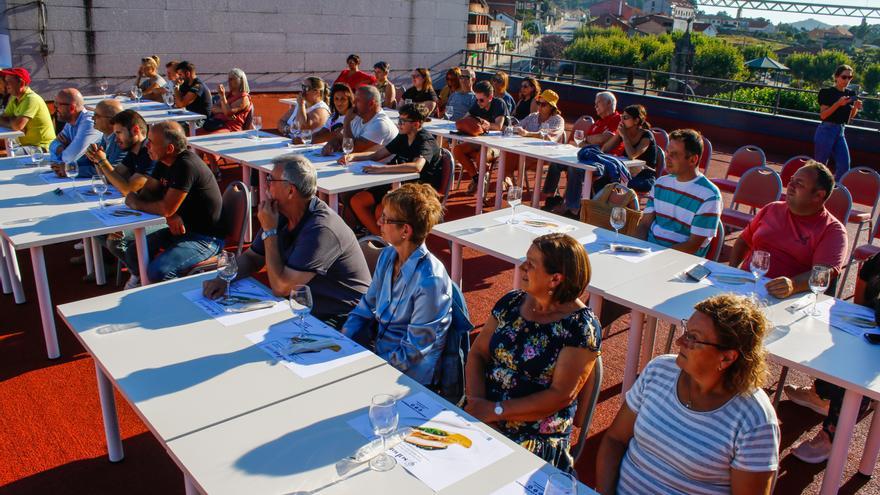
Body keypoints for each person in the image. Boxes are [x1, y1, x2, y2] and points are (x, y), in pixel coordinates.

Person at [596, 294, 780, 495]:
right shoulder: (659, 370)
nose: (679, 341)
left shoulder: (754, 420)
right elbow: (615, 439)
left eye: (693, 338)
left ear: (727, 357)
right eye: (686, 330)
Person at [464, 233, 601, 471]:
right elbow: (477, 354)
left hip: (534, 436)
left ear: (555, 278)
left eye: (531, 264)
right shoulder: (512, 302)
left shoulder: (579, 328)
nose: (522, 267)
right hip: (483, 412)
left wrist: (495, 411)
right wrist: (478, 403)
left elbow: (560, 395)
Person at [203, 154, 371, 328]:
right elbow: (253, 258)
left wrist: (269, 231)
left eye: (270, 180)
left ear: (290, 190)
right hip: (306, 308)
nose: (266, 185)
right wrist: (224, 279)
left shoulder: (321, 229)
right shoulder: (281, 213)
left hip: (344, 319)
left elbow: (281, 287)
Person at [342, 183, 452, 383]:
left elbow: (414, 350)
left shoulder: (431, 280)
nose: (378, 221)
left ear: (405, 230)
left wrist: (369, 369)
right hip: (380, 359)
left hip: (409, 379)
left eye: (385, 219)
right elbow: (366, 307)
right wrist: (343, 340)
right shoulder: (387, 256)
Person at [785, 252, 879, 463]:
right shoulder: (878, 261)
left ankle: (832, 434)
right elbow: (865, 281)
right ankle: (822, 393)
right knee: (835, 345)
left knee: (859, 370)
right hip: (872, 325)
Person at [123, 121, 224, 286]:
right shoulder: (163, 162)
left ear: (169, 149)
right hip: (181, 231)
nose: (146, 145)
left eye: (151, 142)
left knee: (159, 272)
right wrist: (170, 214)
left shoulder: (186, 165)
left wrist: (137, 203)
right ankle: (141, 285)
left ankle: (177, 303)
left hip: (206, 238)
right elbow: (149, 194)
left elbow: (162, 207)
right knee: (133, 252)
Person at [728, 160, 847, 299]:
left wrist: (793, 285)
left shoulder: (833, 230)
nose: (790, 185)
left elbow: (822, 274)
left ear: (818, 195)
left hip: (787, 299)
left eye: (799, 184)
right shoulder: (772, 208)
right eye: (792, 180)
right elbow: (743, 241)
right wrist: (732, 270)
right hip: (747, 287)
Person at [339, 103, 443, 235]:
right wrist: (353, 156)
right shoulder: (403, 136)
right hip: (399, 184)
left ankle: (385, 241)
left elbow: (417, 166)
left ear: (416, 124)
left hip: (419, 189)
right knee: (357, 200)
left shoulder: (425, 141)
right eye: (399, 119)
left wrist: (382, 169)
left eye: (403, 121)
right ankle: (380, 238)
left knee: (381, 209)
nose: (399, 123)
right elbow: (377, 155)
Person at [85, 109, 159, 276]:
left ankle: (141, 274)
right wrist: (98, 161)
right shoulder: (133, 152)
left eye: (118, 132)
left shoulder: (149, 153)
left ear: (135, 131)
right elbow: (115, 177)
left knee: (115, 241)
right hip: (140, 208)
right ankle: (129, 267)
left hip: (159, 215)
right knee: (97, 231)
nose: (116, 137)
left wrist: (103, 161)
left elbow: (128, 189)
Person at [635, 129, 721, 257]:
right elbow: (644, 224)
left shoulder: (710, 196)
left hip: (680, 264)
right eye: (667, 152)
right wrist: (635, 248)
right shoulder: (660, 184)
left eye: (674, 154)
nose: (667, 158)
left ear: (693, 160)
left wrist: (657, 258)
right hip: (648, 254)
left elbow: (692, 245)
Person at [547, 91, 624, 217]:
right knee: (556, 162)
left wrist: (589, 140)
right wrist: (591, 141)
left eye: (598, 103)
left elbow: (604, 138)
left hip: (603, 162)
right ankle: (551, 198)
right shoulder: (597, 123)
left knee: (574, 168)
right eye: (595, 104)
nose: (595, 106)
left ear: (609, 103)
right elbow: (583, 143)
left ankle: (573, 210)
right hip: (588, 157)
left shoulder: (617, 119)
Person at [452, 80, 507, 196]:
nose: (479, 102)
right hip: (480, 142)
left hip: (497, 144)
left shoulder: (499, 103)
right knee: (457, 150)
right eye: (477, 99)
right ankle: (477, 179)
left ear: (490, 97)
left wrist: (485, 125)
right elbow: (465, 118)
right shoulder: (477, 103)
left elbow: (498, 126)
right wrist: (465, 124)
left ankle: (481, 183)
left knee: (479, 156)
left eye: (481, 100)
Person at [501, 90, 564, 190]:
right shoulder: (533, 116)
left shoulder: (558, 120)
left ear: (552, 107)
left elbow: (548, 137)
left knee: (509, 157)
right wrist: (509, 128)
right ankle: (510, 181)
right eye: (539, 103)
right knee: (508, 152)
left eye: (543, 104)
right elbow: (517, 127)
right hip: (525, 151)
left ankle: (510, 182)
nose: (539, 106)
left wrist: (527, 134)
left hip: (544, 155)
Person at [815, 64, 862, 181]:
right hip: (826, 129)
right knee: (820, 165)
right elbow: (823, 115)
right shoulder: (826, 92)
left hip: (840, 130)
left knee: (844, 164)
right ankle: (817, 190)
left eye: (849, 78)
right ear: (836, 77)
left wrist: (855, 108)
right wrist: (838, 104)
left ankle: (836, 190)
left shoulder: (851, 94)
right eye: (844, 77)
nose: (847, 80)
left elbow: (850, 117)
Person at [321, 85, 398, 155]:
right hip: (362, 167)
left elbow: (350, 149)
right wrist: (331, 144)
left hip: (382, 168)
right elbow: (338, 138)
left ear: (371, 104)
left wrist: (347, 121)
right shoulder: (358, 117)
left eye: (357, 100)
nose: (353, 103)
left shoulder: (380, 124)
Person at [602, 104, 658, 193]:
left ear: (636, 120)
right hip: (627, 172)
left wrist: (624, 136)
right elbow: (605, 149)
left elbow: (632, 155)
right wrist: (618, 134)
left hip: (645, 176)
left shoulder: (646, 135)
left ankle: (620, 205)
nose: (622, 120)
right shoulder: (624, 132)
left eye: (625, 117)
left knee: (620, 184)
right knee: (601, 181)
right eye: (621, 117)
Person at [0, 67, 55, 150]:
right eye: (5, 81)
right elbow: (3, 118)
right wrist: (13, 122)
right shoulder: (15, 98)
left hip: (41, 147)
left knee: (5, 156)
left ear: (21, 83)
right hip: (26, 145)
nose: (5, 84)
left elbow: (17, 126)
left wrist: (14, 123)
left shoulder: (31, 99)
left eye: (9, 81)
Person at [48, 88, 103, 166]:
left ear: (72, 108)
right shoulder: (71, 121)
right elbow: (52, 146)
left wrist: (63, 150)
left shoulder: (90, 122)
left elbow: (69, 158)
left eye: (58, 104)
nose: (55, 108)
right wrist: (65, 148)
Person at [76, 98, 126, 177]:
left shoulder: (121, 142)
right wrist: (69, 166)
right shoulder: (106, 136)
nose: (92, 118)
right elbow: (93, 163)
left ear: (111, 121)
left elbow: (111, 172)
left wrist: (74, 171)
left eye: (96, 116)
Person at [198, 68, 251, 134]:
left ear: (240, 80)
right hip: (217, 124)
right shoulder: (228, 95)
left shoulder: (244, 98)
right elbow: (213, 108)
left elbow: (228, 113)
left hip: (231, 128)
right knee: (193, 133)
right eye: (228, 79)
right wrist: (223, 110)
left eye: (232, 79)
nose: (229, 81)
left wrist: (222, 97)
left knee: (206, 138)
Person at [278, 76, 330, 141]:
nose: (303, 91)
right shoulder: (301, 104)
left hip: (306, 148)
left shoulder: (321, 110)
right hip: (290, 142)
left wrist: (301, 105)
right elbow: (281, 121)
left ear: (316, 92)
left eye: (306, 88)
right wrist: (287, 129)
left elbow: (302, 127)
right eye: (303, 87)